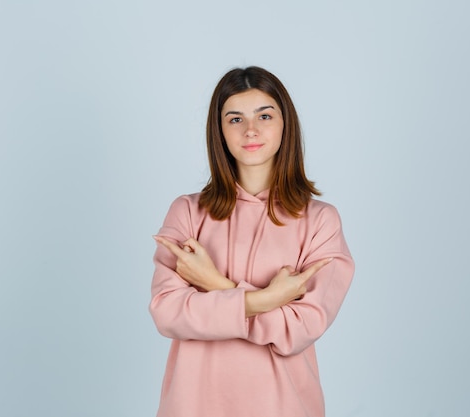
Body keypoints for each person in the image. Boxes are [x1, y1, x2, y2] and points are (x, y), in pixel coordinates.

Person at [149, 66, 354, 417]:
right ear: (220, 131)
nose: (251, 130)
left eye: (264, 115)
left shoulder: (321, 221)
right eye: (235, 119)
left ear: (284, 123)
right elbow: (167, 313)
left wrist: (214, 285)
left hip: (283, 406)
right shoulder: (187, 212)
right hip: (193, 405)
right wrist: (268, 300)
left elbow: (299, 328)